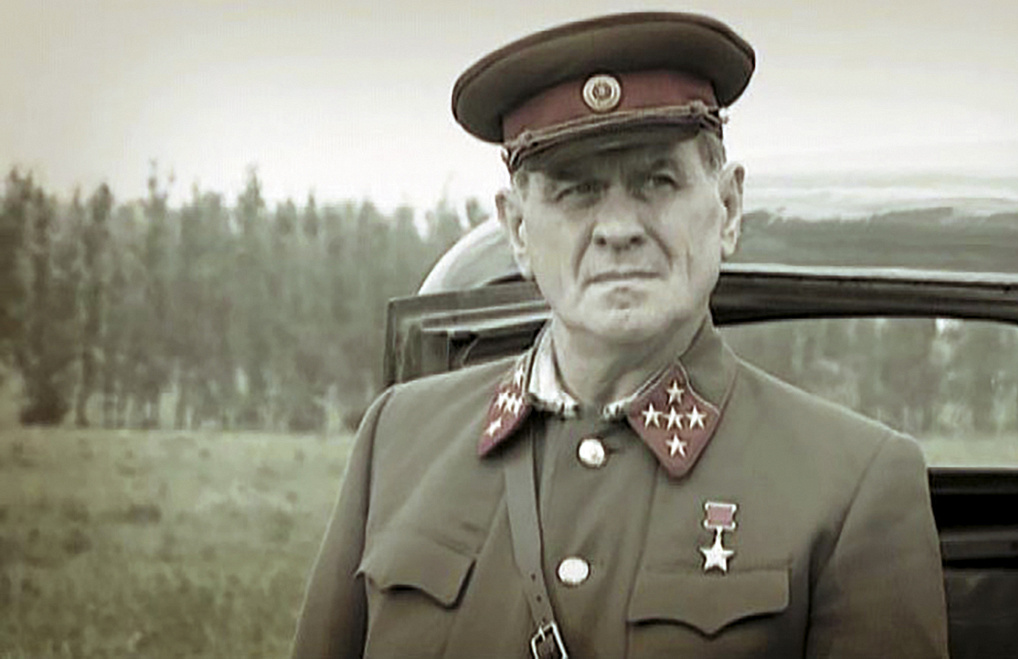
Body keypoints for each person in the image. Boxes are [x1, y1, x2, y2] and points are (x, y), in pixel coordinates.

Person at [293, 11, 948, 659]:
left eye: (657, 182)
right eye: (576, 191)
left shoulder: (850, 484)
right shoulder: (398, 442)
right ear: (517, 229)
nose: (618, 229)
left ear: (727, 208)